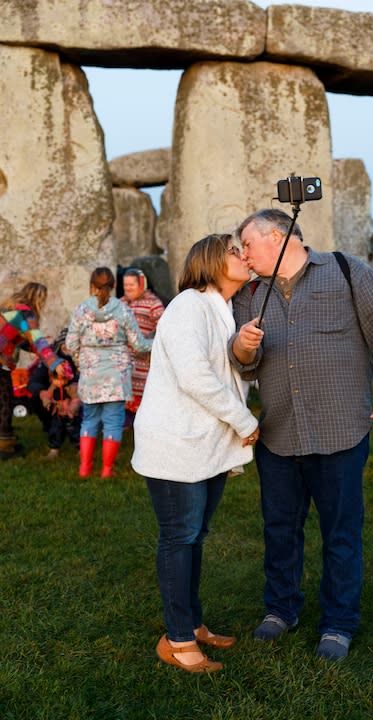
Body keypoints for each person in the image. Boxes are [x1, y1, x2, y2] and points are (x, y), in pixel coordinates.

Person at [229, 208, 373, 661]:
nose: (244, 255)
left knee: (341, 534)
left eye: (248, 244)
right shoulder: (251, 295)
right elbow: (245, 364)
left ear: (277, 235)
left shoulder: (347, 271)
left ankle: (338, 623)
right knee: (279, 530)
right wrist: (241, 349)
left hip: (341, 430)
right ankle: (282, 609)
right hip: (279, 433)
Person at [131, 233, 259, 674]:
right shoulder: (188, 305)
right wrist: (245, 421)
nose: (243, 256)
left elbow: (231, 372)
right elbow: (196, 377)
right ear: (210, 261)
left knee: (194, 538)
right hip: (176, 444)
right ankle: (178, 640)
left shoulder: (224, 309)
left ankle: (192, 623)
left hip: (205, 445)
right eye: (234, 251)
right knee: (180, 538)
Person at [66, 267, 153, 478]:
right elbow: (139, 345)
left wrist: (81, 363)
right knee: (113, 422)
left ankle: (84, 468)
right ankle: (107, 470)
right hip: (117, 374)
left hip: (90, 373)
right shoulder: (123, 310)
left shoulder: (82, 310)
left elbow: (70, 343)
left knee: (89, 420)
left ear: (92, 286)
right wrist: (157, 342)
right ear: (114, 285)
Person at [0, 282, 72, 460]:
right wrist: (54, 362)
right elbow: (37, 342)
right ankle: (4, 446)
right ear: (38, 299)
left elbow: (20, 340)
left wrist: (38, 350)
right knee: (4, 402)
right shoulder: (26, 313)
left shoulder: (7, 309)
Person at [120, 268, 165, 426]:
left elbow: (164, 328)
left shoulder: (154, 303)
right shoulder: (121, 303)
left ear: (141, 284)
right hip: (124, 361)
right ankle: (126, 426)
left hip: (144, 359)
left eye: (131, 284)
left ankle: (144, 426)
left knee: (145, 398)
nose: (128, 288)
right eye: (125, 285)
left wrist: (148, 343)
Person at [27, 328, 81, 458]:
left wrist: (75, 401)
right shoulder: (49, 361)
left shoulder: (78, 362)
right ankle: (54, 448)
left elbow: (77, 386)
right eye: (64, 346)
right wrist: (45, 396)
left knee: (75, 428)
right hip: (56, 406)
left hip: (72, 405)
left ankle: (80, 447)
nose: (67, 349)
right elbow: (35, 383)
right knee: (55, 428)